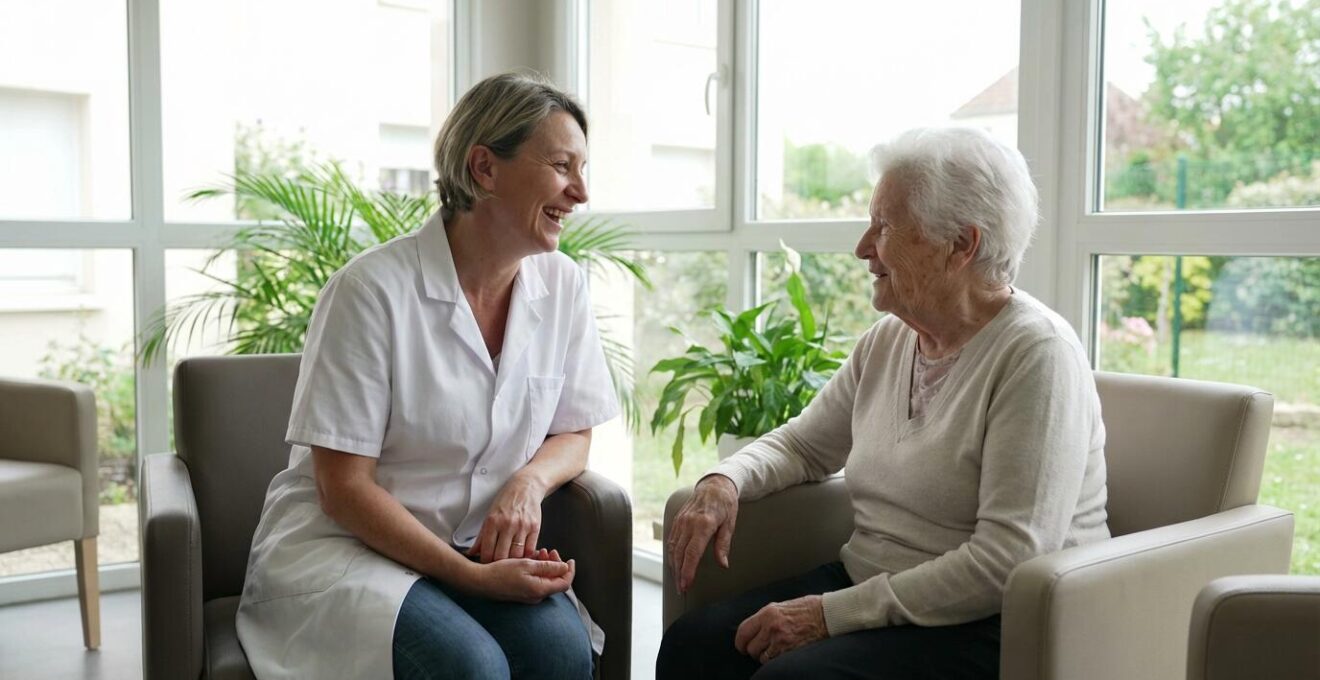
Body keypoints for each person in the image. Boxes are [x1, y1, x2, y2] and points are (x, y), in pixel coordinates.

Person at [657, 126, 1110, 680]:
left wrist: (830, 615)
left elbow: (1007, 562)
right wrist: (723, 481)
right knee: (695, 644)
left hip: (988, 623)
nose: (863, 247)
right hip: (870, 584)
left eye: (887, 226)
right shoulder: (892, 338)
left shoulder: (1038, 355)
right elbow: (804, 444)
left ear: (960, 245)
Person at [235, 72, 617, 680]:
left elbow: (574, 432)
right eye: (562, 166)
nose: (580, 193)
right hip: (350, 551)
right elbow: (343, 489)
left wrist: (526, 484)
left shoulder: (562, 285)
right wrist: (469, 577)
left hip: (473, 547)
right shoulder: (370, 291)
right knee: (470, 666)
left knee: (561, 653)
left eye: (583, 169)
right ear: (484, 169)